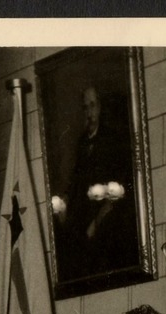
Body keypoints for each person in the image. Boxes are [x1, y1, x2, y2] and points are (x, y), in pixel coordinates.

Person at [57, 85, 135, 278]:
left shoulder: (112, 139)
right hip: (86, 213)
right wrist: (64, 199)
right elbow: (77, 177)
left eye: (92, 105)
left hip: (108, 214)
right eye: (86, 107)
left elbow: (118, 185)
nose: (89, 112)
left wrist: (97, 221)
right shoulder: (83, 141)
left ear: (100, 107)